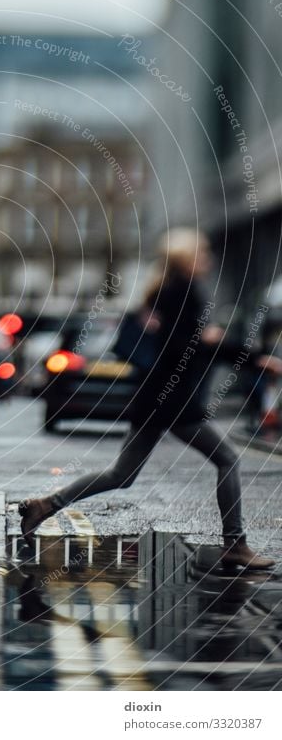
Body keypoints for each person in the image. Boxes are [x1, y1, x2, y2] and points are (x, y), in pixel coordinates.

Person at [19, 228, 281, 570]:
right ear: (186, 259)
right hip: (173, 399)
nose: (208, 259)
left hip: (156, 396)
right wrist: (245, 354)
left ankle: (46, 505)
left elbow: (182, 342)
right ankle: (235, 544)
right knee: (228, 459)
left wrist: (212, 340)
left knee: (121, 475)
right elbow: (184, 347)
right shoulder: (186, 292)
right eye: (201, 253)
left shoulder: (166, 291)